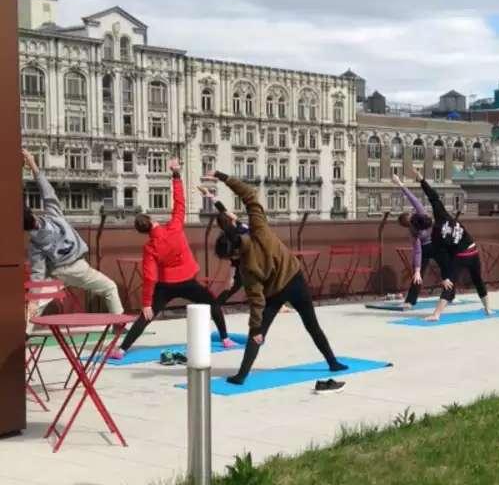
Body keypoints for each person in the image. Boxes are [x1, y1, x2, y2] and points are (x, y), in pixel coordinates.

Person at [204, 170, 347, 390]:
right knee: (312, 325)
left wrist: (257, 330)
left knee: (257, 331)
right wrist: (223, 177)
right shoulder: (258, 230)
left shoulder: (246, 269)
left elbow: (256, 302)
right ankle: (333, 363)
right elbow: (249, 195)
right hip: (295, 280)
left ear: (233, 254)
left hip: (274, 292)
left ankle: (242, 375)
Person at [110, 159, 235, 359]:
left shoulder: (149, 247)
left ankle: (122, 349)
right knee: (212, 303)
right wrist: (176, 174)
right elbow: (179, 202)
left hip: (165, 285)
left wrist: (146, 303)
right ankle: (225, 339)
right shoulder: (174, 227)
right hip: (187, 281)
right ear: (152, 221)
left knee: (146, 316)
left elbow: (150, 277)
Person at [22, 149, 123, 319]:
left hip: (58, 273)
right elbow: (47, 190)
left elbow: (38, 273)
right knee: (110, 287)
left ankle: (24, 333)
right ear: (32, 213)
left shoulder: (35, 244)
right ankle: (119, 324)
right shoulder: (54, 215)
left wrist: (34, 297)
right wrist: (32, 163)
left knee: (35, 305)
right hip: (78, 267)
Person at [413, 169, 491, 322]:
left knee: (449, 285)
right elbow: (433, 198)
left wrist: (446, 277)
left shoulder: (436, 238)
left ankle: (436, 314)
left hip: (461, 256)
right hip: (473, 249)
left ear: (423, 230)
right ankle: (488, 308)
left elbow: (443, 258)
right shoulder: (442, 216)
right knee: (477, 279)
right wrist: (421, 180)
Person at [390, 173, 444, 310]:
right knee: (417, 275)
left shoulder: (420, 212)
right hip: (427, 248)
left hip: (437, 243)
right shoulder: (414, 232)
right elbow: (418, 251)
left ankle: (450, 293)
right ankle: (410, 300)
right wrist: (417, 270)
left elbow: (412, 198)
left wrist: (400, 184)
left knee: (447, 269)